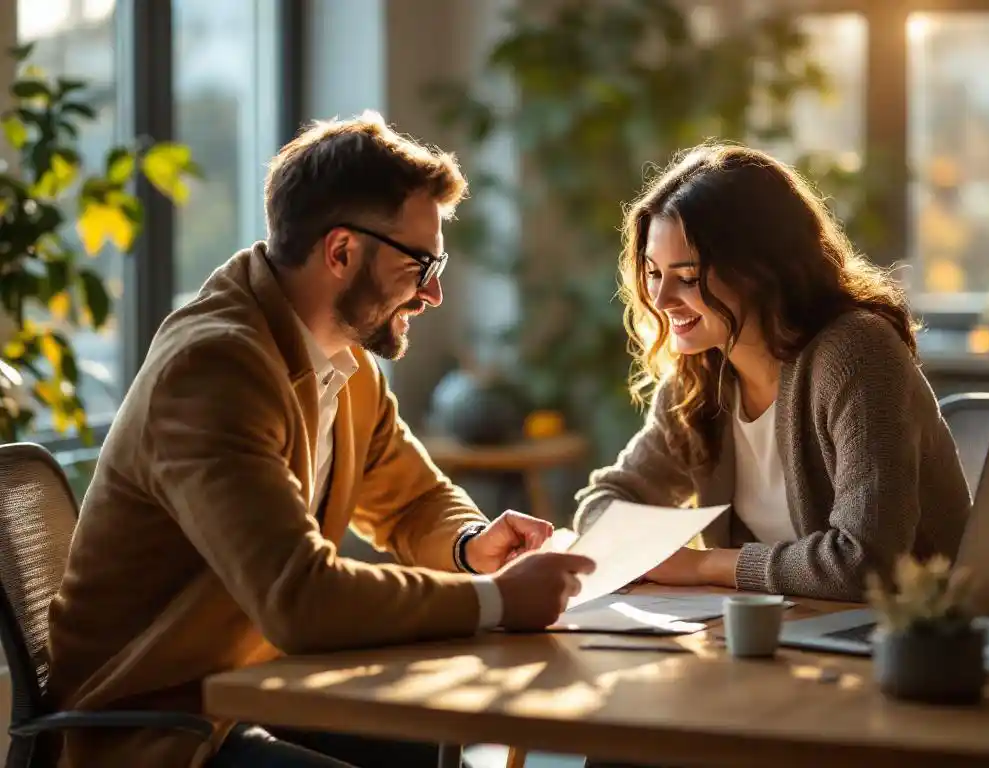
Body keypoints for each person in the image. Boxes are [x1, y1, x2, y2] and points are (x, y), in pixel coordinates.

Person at [47, 111, 594, 768]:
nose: (436, 293)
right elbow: (299, 598)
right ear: (340, 252)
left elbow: (411, 499)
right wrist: (501, 600)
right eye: (421, 264)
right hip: (159, 727)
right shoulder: (215, 369)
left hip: (259, 689)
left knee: (431, 747)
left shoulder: (346, 363)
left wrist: (473, 545)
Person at [574, 142, 971, 606]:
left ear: (761, 270)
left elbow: (867, 563)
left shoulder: (855, 353)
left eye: (687, 276)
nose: (661, 301)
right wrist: (658, 554)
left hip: (919, 637)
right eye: (652, 273)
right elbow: (605, 502)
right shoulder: (700, 376)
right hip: (793, 629)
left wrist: (701, 564)